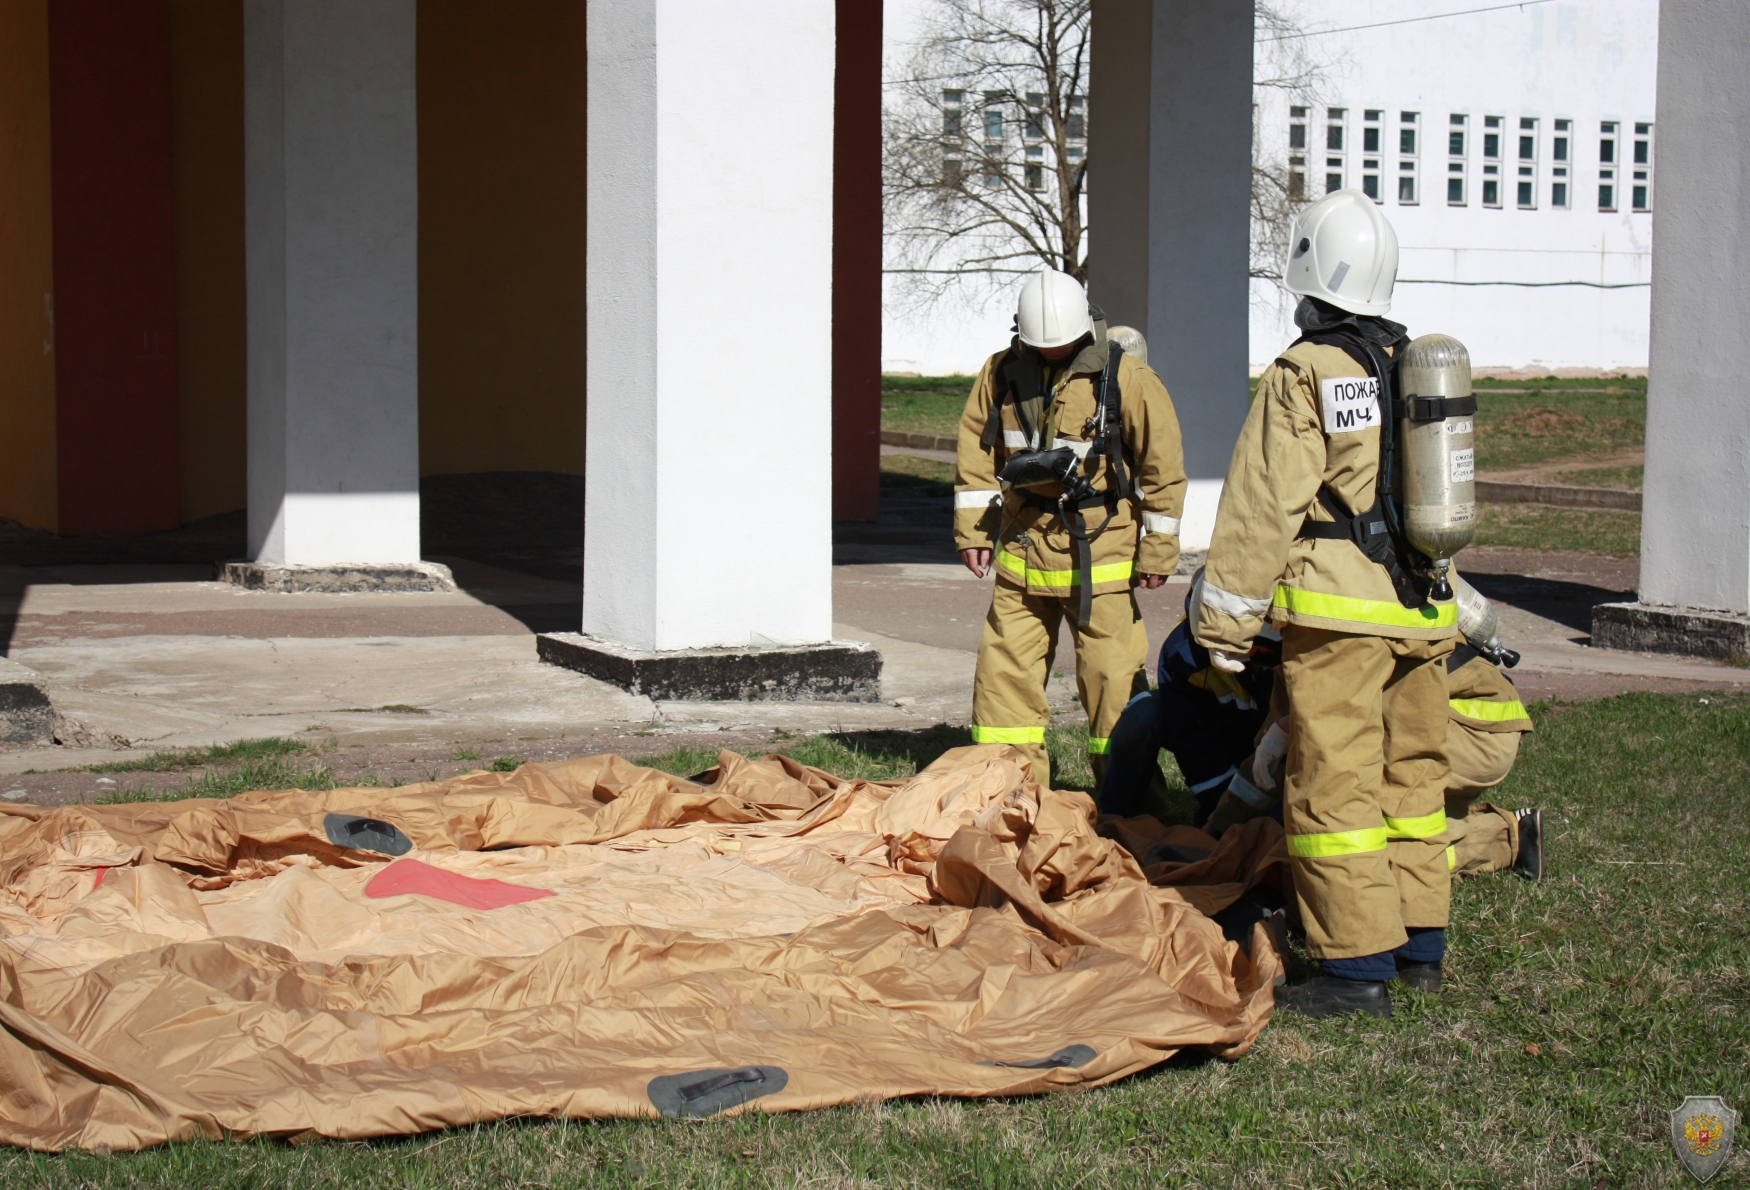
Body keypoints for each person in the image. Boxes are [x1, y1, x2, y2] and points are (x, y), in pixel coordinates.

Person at [1189, 189, 1457, 1019]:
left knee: (1333, 784)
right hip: (1423, 609)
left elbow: (1264, 504)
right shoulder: (1412, 362)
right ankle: (1419, 947)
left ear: (1311, 274)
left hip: (1341, 617)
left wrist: (1223, 622)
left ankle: (1354, 970)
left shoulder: (1306, 373)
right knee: (1411, 778)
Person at [954, 270, 1188, 788]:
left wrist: (1158, 548)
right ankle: (1006, 797)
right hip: (1022, 551)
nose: (1052, 353)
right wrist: (974, 531)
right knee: (1003, 684)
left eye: (1061, 345)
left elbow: (1162, 468)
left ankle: (1127, 799)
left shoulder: (1128, 379)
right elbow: (976, 455)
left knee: (1114, 684)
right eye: (1043, 346)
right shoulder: (1001, 373)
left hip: (1098, 557)